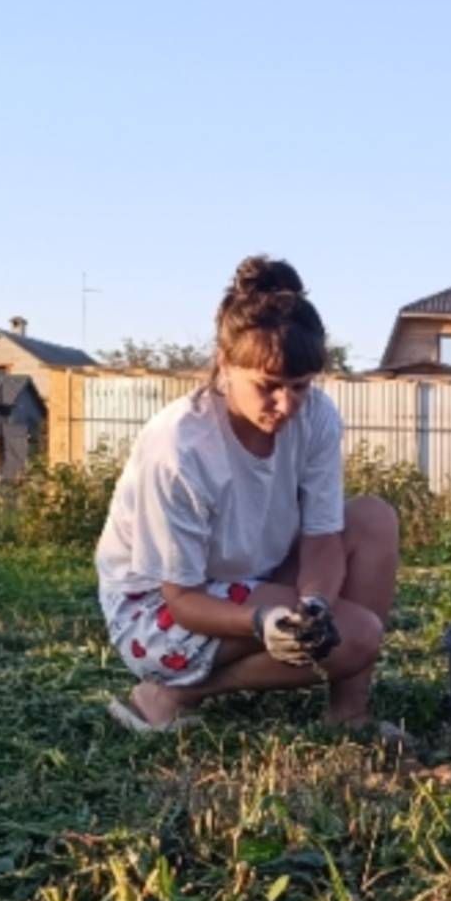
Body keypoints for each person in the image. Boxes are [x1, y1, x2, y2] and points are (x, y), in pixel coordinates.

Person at [94, 257, 399, 735]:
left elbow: (323, 538)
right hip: (158, 612)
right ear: (225, 363)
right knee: (359, 636)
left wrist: (315, 606)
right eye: (269, 387)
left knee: (374, 519)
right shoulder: (179, 448)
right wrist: (263, 623)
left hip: (251, 577)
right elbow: (181, 600)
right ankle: (173, 692)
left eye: (300, 387)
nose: (286, 405)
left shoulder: (316, 417)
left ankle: (349, 715)